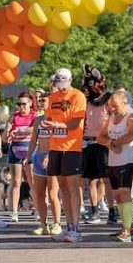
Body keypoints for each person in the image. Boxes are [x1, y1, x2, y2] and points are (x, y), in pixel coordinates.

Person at [42, 68, 87, 242]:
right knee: (62, 187)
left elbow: (76, 122)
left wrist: (56, 125)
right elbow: (49, 118)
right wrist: (47, 126)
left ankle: (76, 228)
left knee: (72, 187)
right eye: (57, 84)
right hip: (56, 147)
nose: (60, 88)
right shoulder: (52, 98)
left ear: (70, 80)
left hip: (72, 147)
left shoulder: (78, 96)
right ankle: (68, 226)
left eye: (63, 83)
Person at [98, 90, 133, 243]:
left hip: (128, 160)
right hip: (113, 161)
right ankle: (124, 227)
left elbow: (131, 135)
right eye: (110, 106)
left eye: (115, 106)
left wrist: (117, 143)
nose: (112, 109)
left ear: (124, 103)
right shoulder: (111, 118)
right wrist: (110, 143)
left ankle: (128, 230)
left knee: (124, 193)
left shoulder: (131, 116)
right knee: (117, 196)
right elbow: (100, 137)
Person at [24, 94, 62, 236]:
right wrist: (28, 157)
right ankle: (43, 224)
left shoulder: (56, 120)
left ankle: (57, 223)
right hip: (39, 157)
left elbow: (58, 140)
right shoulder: (38, 120)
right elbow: (34, 140)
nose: (41, 103)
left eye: (44, 100)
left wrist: (50, 155)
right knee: (38, 193)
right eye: (39, 100)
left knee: (53, 193)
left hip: (52, 157)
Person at [80, 67, 110, 225]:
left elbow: (113, 118)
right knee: (91, 179)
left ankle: (111, 209)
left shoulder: (107, 100)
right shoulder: (84, 100)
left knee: (105, 178)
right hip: (88, 142)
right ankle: (94, 210)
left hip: (104, 142)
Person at [3, 91, 36, 223]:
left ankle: (37, 209)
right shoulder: (14, 116)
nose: (21, 107)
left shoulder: (34, 116)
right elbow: (5, 137)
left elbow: (35, 129)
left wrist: (21, 130)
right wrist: (8, 132)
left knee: (32, 181)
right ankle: (14, 212)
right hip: (16, 149)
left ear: (30, 103)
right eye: (19, 104)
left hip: (29, 148)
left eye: (24, 104)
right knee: (16, 181)